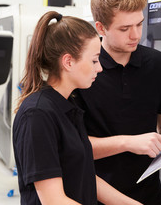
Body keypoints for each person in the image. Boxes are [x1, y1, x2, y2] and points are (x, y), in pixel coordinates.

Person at [73, 0, 161, 205]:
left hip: (149, 194)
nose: (135, 35)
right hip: (96, 194)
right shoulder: (83, 71)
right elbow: (73, 147)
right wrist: (129, 142)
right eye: (124, 28)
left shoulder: (158, 64)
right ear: (100, 28)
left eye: (139, 24)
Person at [13, 11, 142, 205]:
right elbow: (53, 200)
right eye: (94, 60)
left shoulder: (67, 106)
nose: (99, 68)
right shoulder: (38, 115)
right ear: (68, 61)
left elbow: (84, 176)